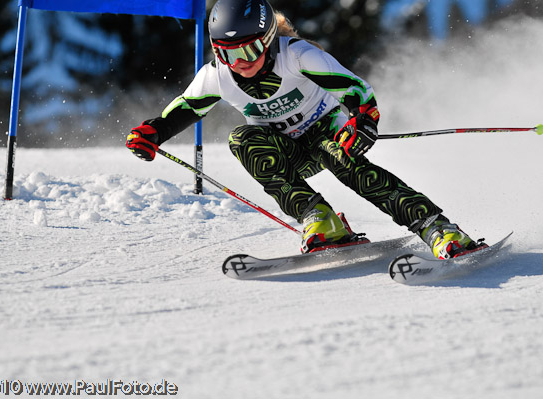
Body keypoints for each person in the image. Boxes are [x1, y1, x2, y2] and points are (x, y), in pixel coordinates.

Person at [126, 0, 484, 259]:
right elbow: (184, 108)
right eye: (227, 54)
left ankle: (438, 228)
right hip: (287, 153)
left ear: (267, 40)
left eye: (249, 51)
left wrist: (364, 121)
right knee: (242, 139)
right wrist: (153, 133)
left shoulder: (297, 55)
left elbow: (357, 91)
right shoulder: (216, 75)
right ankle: (319, 218)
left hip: (329, 133)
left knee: (344, 160)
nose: (240, 64)